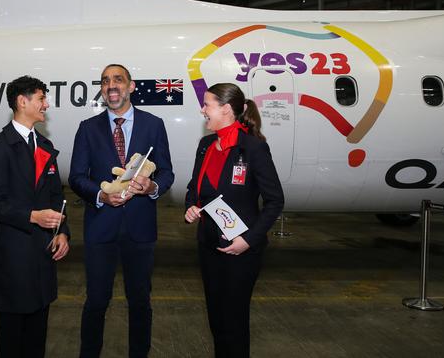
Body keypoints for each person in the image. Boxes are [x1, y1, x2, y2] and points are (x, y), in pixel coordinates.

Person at [69, 64, 174, 358]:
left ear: (130, 86)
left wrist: (152, 187)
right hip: (100, 227)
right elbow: (77, 177)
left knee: (140, 302)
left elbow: (166, 172)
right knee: (96, 302)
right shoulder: (87, 129)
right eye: (105, 81)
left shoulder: (153, 124)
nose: (111, 85)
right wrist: (101, 194)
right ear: (102, 90)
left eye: (118, 80)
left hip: (140, 231)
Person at [184, 83, 284, 358]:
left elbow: (275, 201)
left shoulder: (253, 148)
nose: (202, 110)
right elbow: (195, 187)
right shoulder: (206, 145)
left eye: (207, 105)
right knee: (216, 319)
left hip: (241, 250)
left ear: (226, 110)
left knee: (234, 322)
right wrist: (191, 206)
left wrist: (248, 240)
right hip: (209, 245)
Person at [0, 75, 70, 358]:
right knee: (11, 339)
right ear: (23, 101)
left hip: (43, 256)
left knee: (37, 338)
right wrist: (32, 216)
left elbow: (57, 197)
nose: (46, 105)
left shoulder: (45, 146)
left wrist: (63, 232)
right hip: (15, 258)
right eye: (41, 98)